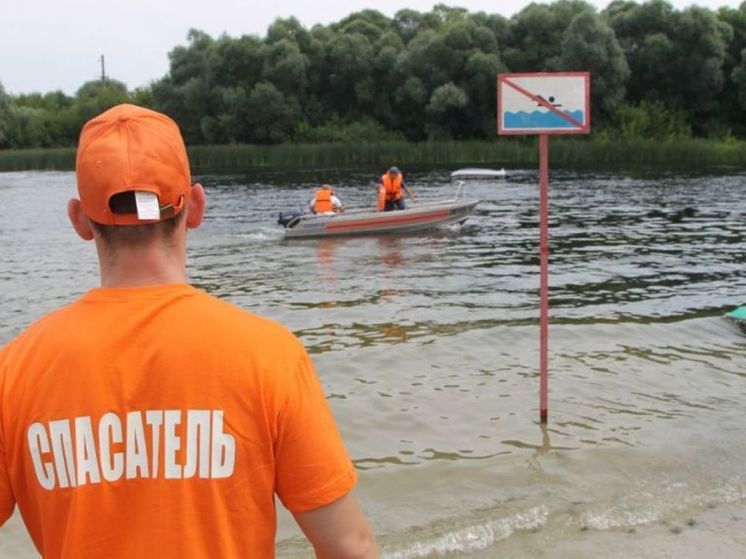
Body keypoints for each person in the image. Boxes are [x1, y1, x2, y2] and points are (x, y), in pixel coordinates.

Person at [0, 104, 377, 558]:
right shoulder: (267, 355)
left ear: (80, 219)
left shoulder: (15, 371)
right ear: (195, 206)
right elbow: (348, 547)